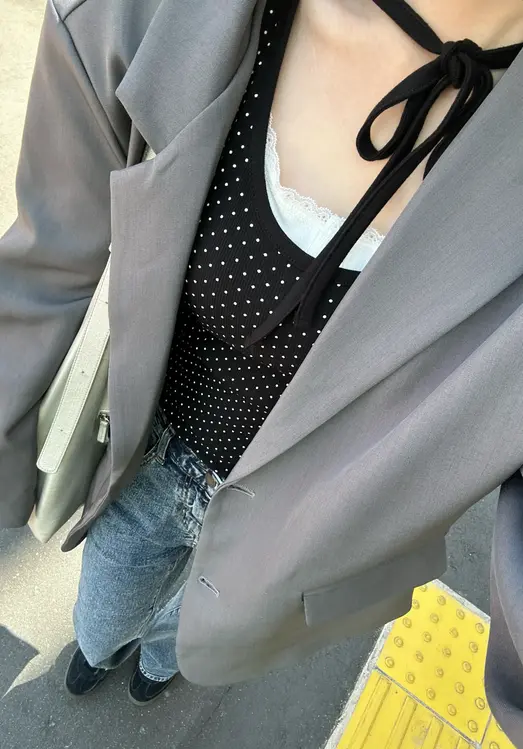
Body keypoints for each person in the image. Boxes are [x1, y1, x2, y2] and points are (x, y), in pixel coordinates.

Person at [2, 0, 523, 739]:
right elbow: (38, 273)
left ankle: (158, 663)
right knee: (104, 610)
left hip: (293, 541)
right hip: (151, 461)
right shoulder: (162, 17)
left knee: (190, 633)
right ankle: (101, 648)